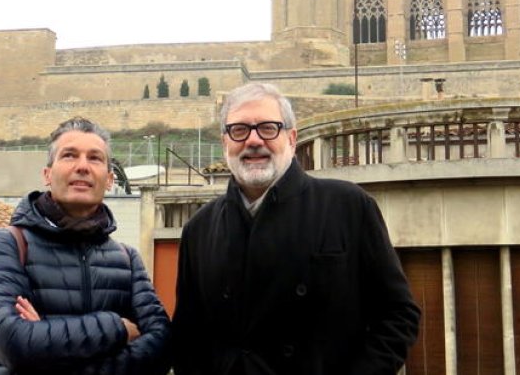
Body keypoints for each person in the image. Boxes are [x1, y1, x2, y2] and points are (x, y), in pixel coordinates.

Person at [172, 83, 420, 375]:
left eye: (268, 128)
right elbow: (187, 334)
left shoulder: (349, 206)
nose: (253, 140)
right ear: (225, 143)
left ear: (291, 138)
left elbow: (398, 315)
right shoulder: (199, 229)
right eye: (239, 130)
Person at [0, 117, 170, 374]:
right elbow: (13, 344)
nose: (82, 167)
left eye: (95, 158)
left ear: (110, 179)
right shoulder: (7, 245)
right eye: (69, 155)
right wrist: (120, 329)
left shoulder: (127, 259)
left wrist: (45, 339)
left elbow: (162, 347)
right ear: (47, 174)